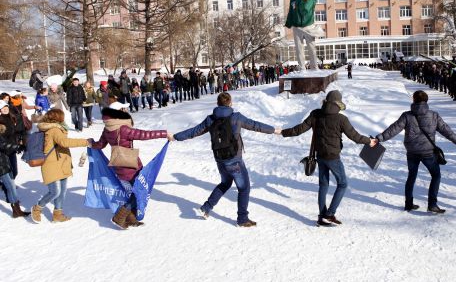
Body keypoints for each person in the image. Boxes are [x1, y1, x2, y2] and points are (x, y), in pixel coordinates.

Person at [173, 92, 279, 227]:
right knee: (244, 188)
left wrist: (176, 137)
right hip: (234, 160)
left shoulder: (210, 120)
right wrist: (274, 130)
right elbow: (255, 125)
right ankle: (242, 219)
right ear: (230, 103)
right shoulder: (236, 117)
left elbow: (194, 131)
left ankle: (206, 207)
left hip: (220, 159)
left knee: (225, 183)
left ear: (217, 104)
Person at [282, 90, 375, 225]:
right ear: (338, 103)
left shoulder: (315, 114)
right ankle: (329, 214)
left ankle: (321, 216)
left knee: (323, 185)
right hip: (333, 157)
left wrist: (283, 132)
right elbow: (355, 136)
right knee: (342, 184)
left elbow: (299, 129)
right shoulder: (341, 119)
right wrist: (369, 141)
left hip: (320, 156)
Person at [374, 90, 456, 214]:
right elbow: (446, 130)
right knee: (436, 175)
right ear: (426, 101)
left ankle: (408, 204)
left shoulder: (407, 116)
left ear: (413, 100)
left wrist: (379, 138)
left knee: (411, 176)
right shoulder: (433, 115)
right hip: (427, 152)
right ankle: (432, 204)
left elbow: (393, 129)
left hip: (411, 151)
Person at [91, 101, 171, 229]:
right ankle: (120, 216)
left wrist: (91, 143)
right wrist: (164, 133)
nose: (126, 111)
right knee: (139, 192)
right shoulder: (123, 129)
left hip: (119, 165)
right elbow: (144, 135)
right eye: (124, 109)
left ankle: (131, 217)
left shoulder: (108, 127)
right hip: (130, 166)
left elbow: (100, 144)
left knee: (134, 191)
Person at [30, 109, 90, 223]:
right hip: (52, 164)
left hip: (61, 162)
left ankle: (58, 214)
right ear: (58, 118)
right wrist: (86, 142)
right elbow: (65, 142)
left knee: (62, 191)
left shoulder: (55, 128)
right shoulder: (54, 129)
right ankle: (37, 208)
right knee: (55, 191)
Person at [0, 114, 30, 218]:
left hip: (4, 162)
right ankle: (16, 211)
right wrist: (17, 146)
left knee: (11, 186)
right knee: (11, 186)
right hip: (1, 166)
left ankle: (16, 210)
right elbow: (3, 145)